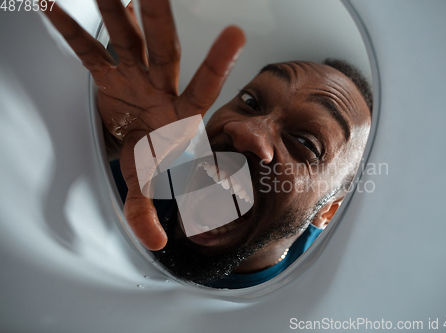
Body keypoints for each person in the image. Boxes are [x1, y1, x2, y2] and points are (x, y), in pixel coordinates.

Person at [45, 0, 372, 287]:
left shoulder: (325, 289)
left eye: (305, 142)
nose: (246, 132)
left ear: (328, 211)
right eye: (250, 100)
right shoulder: (149, 174)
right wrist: (100, 146)